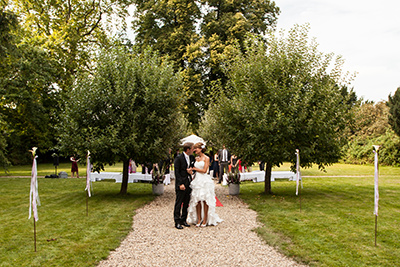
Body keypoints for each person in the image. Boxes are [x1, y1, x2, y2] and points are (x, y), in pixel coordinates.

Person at [187, 143, 223, 227]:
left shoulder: (206, 158)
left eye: (196, 148)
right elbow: (194, 170)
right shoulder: (196, 158)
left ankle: (205, 219)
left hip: (204, 180)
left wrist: (194, 168)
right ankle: (199, 218)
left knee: (205, 200)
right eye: (194, 148)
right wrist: (191, 171)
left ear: (201, 149)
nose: (195, 150)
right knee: (197, 200)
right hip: (197, 180)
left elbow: (204, 170)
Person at [173, 142, 195, 230]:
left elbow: (191, 168)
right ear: (188, 149)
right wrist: (180, 184)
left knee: (186, 203)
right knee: (179, 203)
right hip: (181, 183)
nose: (194, 150)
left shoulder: (191, 157)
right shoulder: (178, 158)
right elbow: (177, 172)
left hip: (188, 182)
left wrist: (190, 171)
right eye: (192, 148)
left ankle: (183, 220)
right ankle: (177, 221)